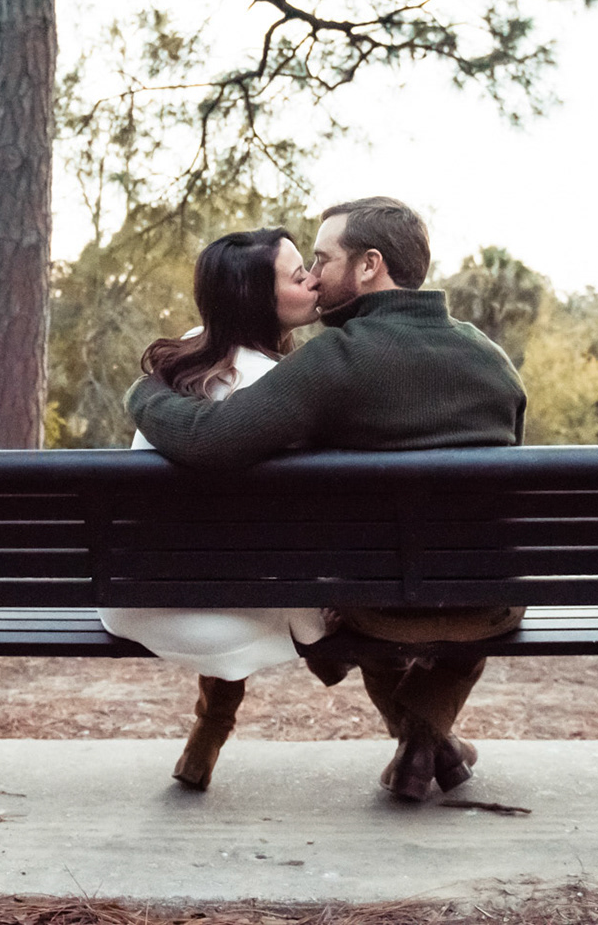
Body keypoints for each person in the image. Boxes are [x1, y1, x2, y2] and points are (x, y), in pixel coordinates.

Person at [126, 196, 527, 802]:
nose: (313, 274)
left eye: (322, 257)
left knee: (383, 595)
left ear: (369, 267)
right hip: (488, 602)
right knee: (464, 595)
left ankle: (422, 735)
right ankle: (427, 736)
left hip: (375, 606)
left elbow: (208, 439)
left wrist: (145, 393)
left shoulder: (334, 360)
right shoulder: (492, 358)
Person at [100, 227, 330, 791]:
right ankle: (427, 740)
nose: (313, 279)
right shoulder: (285, 388)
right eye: (297, 273)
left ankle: (206, 739)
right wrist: (319, 634)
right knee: (356, 609)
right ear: (258, 298)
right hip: (225, 609)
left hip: (136, 601)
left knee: (228, 558)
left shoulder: (187, 354)